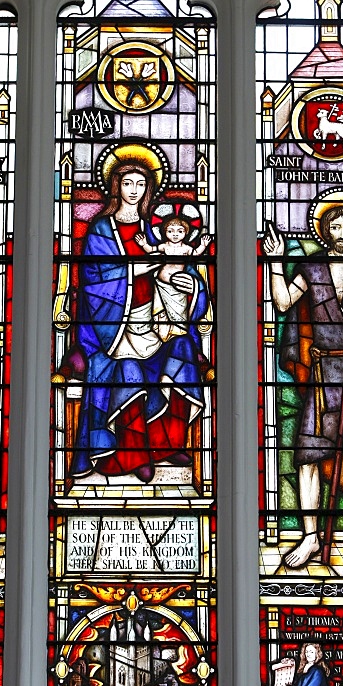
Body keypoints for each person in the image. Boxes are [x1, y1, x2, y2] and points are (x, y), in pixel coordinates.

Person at [66, 147, 211, 483]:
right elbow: (94, 280)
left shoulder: (157, 230)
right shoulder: (102, 229)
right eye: (127, 183)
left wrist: (194, 286)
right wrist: (134, 272)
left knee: (183, 352)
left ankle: (165, 444)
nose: (134, 189)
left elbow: (183, 269)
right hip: (112, 326)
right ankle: (129, 456)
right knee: (127, 368)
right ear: (116, 187)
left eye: (140, 184)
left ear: (148, 190)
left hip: (157, 318)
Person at [263, 204, 343, 571]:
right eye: (335, 226)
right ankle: (310, 538)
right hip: (324, 372)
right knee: (308, 458)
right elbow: (284, 301)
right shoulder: (312, 267)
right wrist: (275, 260)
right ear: (325, 231)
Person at [135, 216, 212, 341]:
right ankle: (162, 335)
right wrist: (144, 244)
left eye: (179, 231)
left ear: (186, 233)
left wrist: (203, 245)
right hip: (161, 286)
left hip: (178, 290)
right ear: (165, 232)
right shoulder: (164, 246)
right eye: (170, 231)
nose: (175, 234)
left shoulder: (186, 249)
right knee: (161, 315)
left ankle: (177, 334)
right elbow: (151, 250)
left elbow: (196, 254)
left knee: (179, 316)